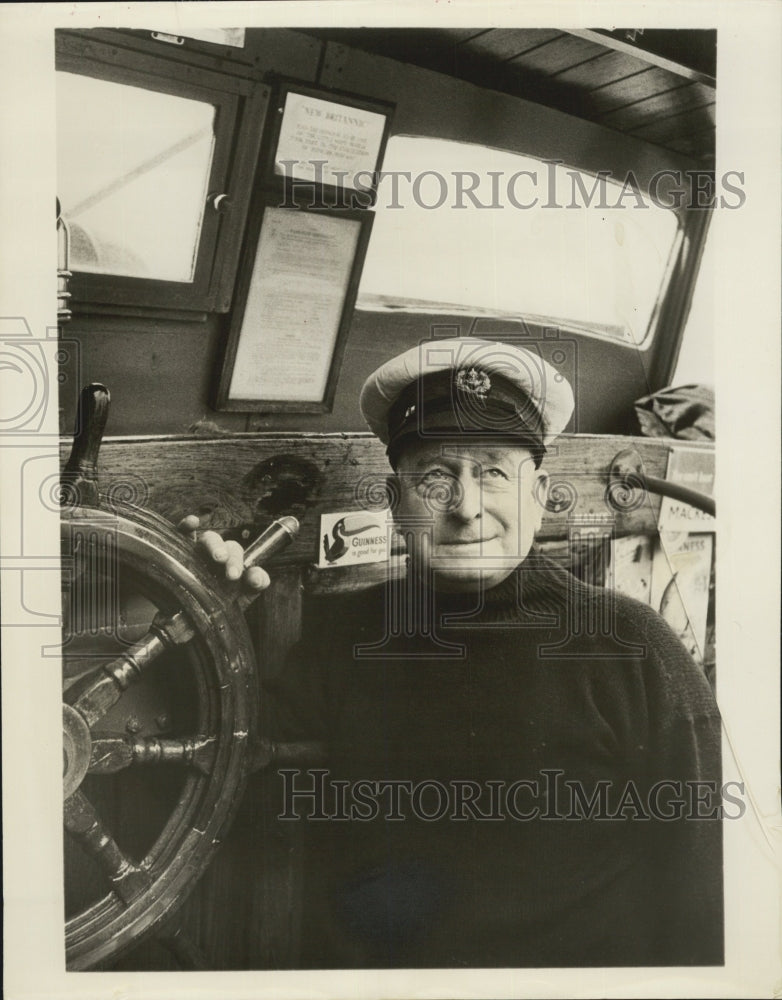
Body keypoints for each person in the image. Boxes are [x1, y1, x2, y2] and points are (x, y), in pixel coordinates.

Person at [190, 338, 723, 969]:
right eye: (437, 479)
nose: (467, 508)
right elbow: (236, 779)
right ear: (395, 504)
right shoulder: (345, 636)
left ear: (539, 493)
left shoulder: (634, 650)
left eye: (494, 473)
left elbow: (705, 895)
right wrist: (208, 620)